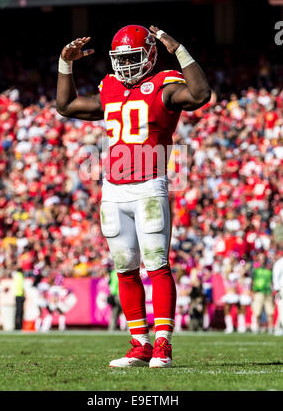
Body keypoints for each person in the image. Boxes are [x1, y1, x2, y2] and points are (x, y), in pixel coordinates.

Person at [56, 24, 211, 368]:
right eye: (121, 58)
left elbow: (200, 94)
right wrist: (65, 64)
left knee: (156, 264)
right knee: (125, 269)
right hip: (113, 190)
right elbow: (66, 105)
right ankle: (139, 344)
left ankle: (162, 345)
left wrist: (179, 49)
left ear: (150, 56)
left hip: (148, 186)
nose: (126, 64)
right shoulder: (110, 88)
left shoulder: (164, 86)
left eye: (132, 56)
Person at [251, 252, 274, 333]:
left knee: (270, 312)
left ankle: (271, 329)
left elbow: (271, 281)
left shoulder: (269, 269)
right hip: (258, 292)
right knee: (257, 312)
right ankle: (256, 328)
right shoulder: (255, 269)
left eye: (263, 258)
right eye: (260, 259)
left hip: (268, 292)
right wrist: (252, 292)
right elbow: (252, 281)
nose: (262, 260)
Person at [272, 251, 283, 335]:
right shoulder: (279, 263)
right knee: (281, 308)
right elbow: (276, 277)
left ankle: (278, 327)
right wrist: (277, 290)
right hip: (281, 288)